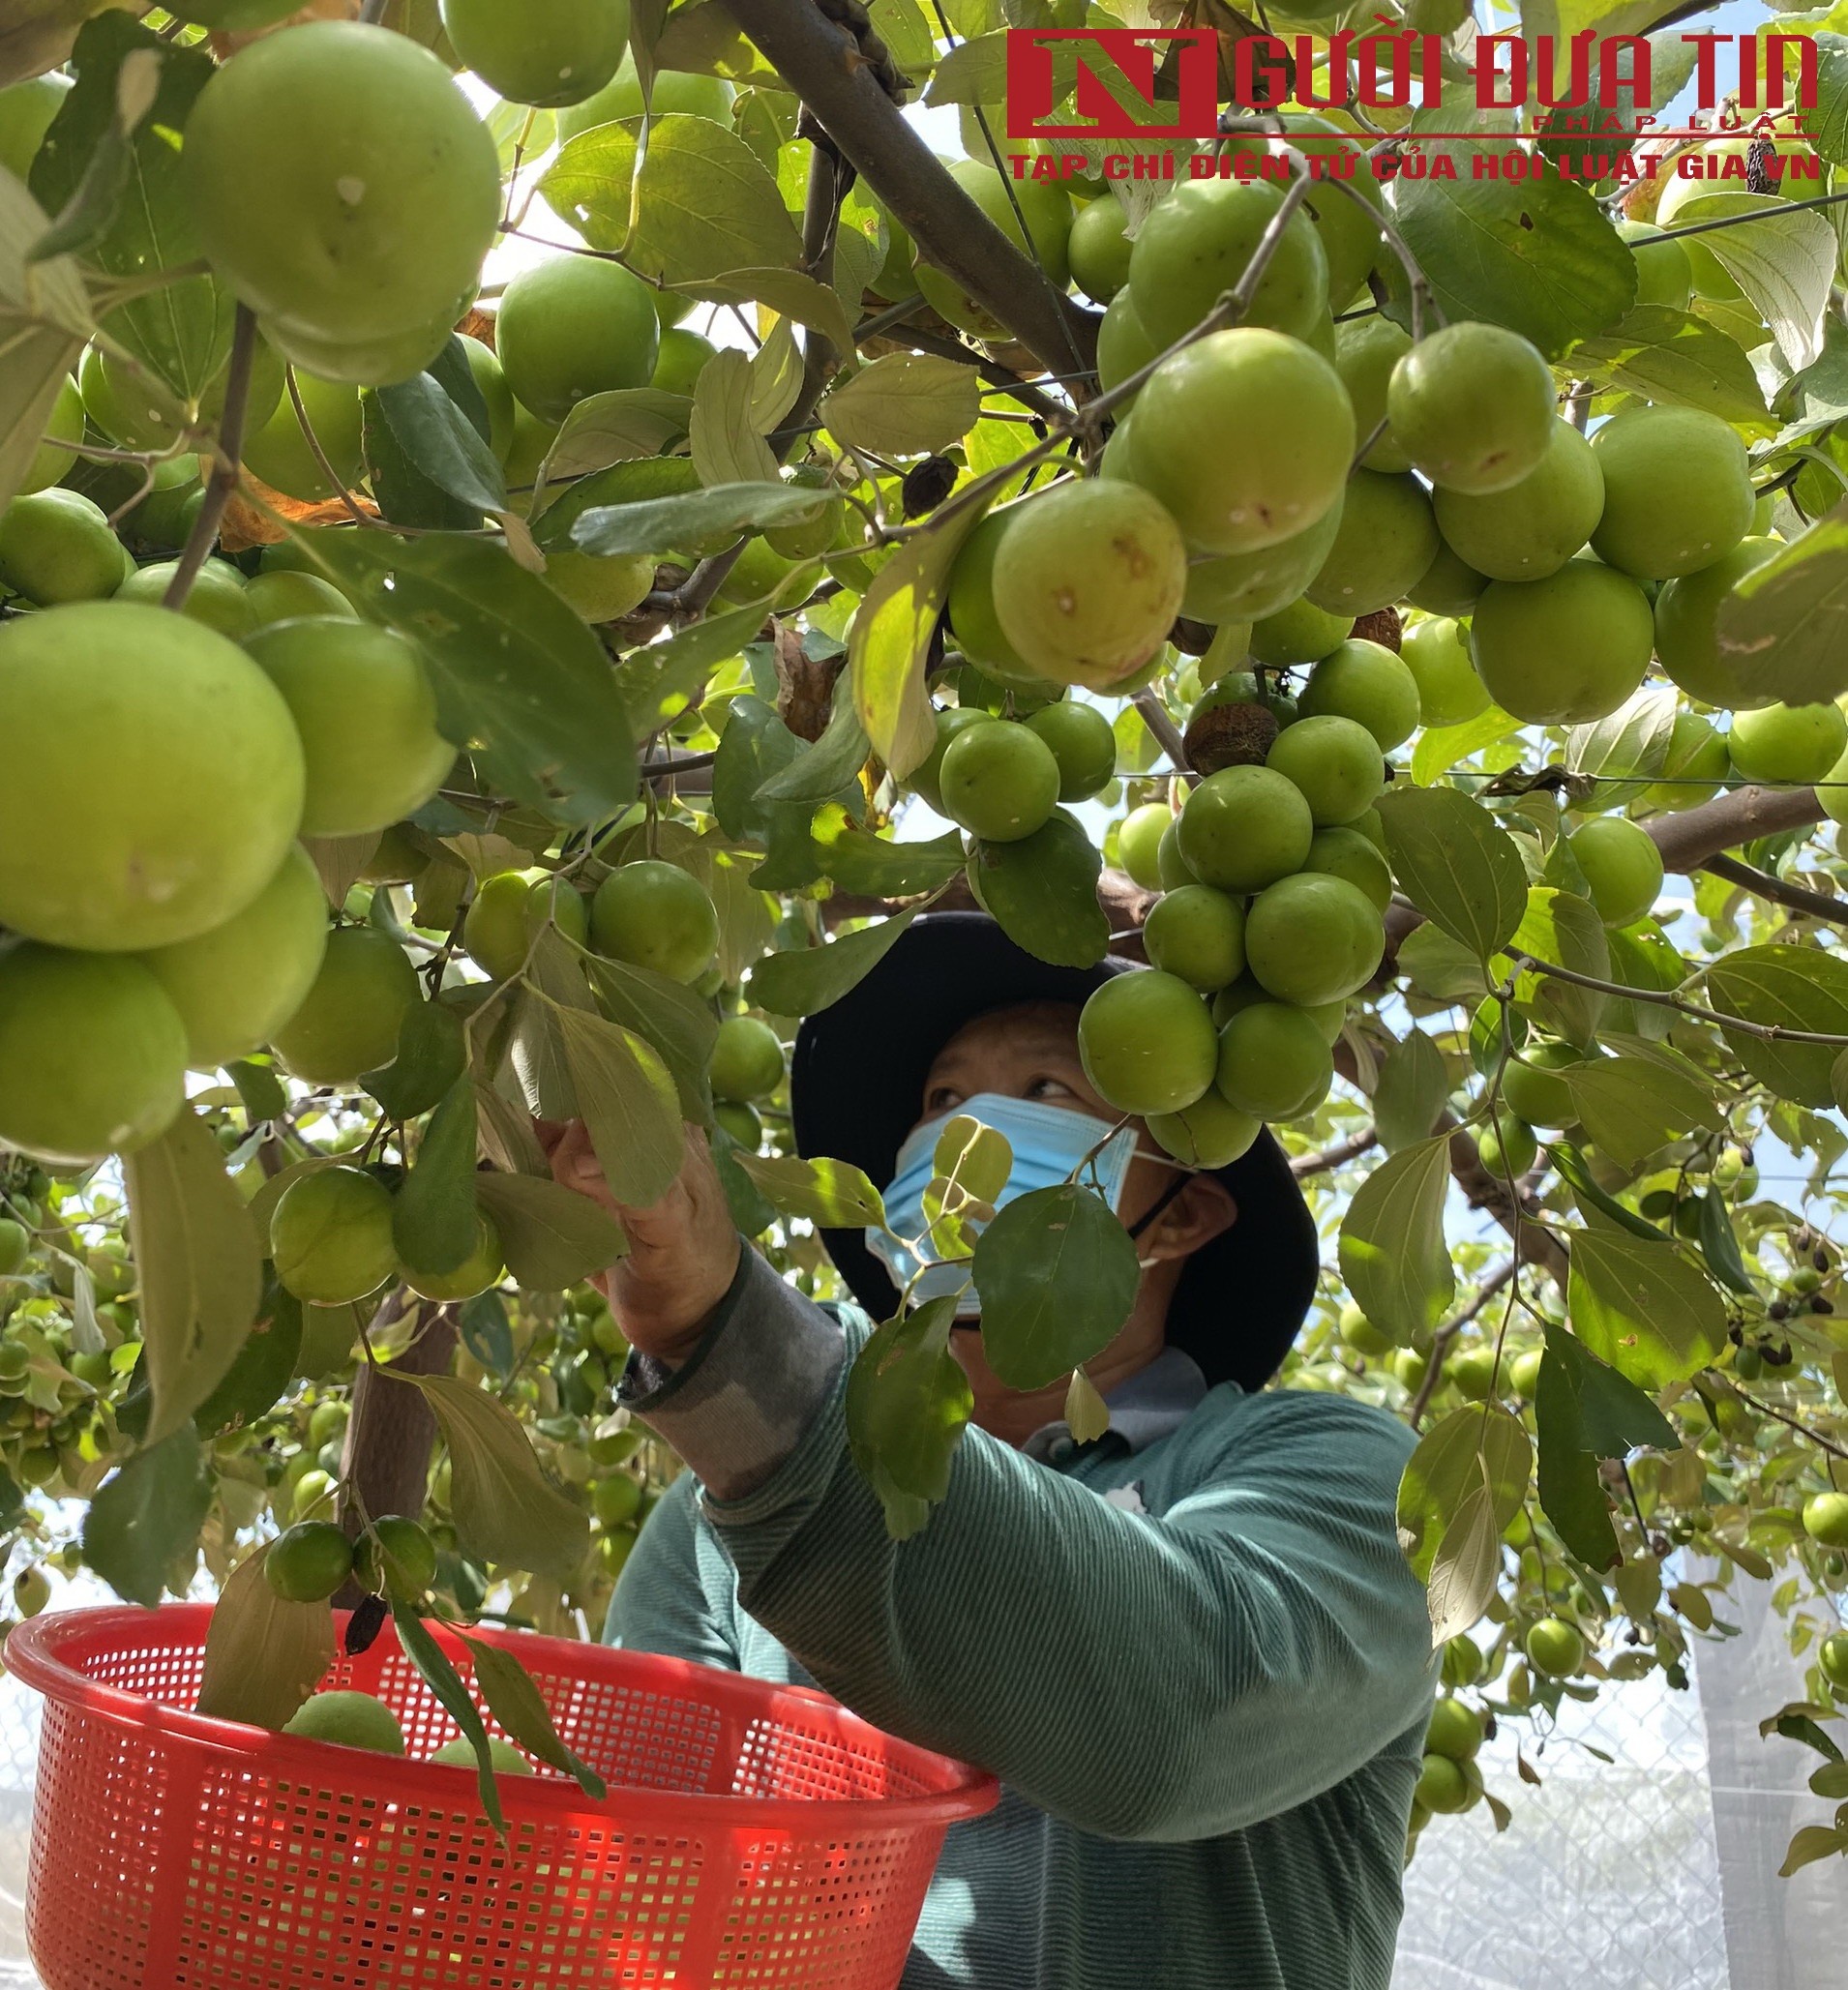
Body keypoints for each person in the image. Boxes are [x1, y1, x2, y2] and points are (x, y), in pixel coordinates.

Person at [549, 912, 1438, 1990]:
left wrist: (728, 1342)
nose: (965, 1131)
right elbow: (625, 1876)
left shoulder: (1330, 1467)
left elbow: (1177, 1720)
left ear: (1181, 1213)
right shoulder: (712, 1521)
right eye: (939, 1100)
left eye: (1049, 1092)